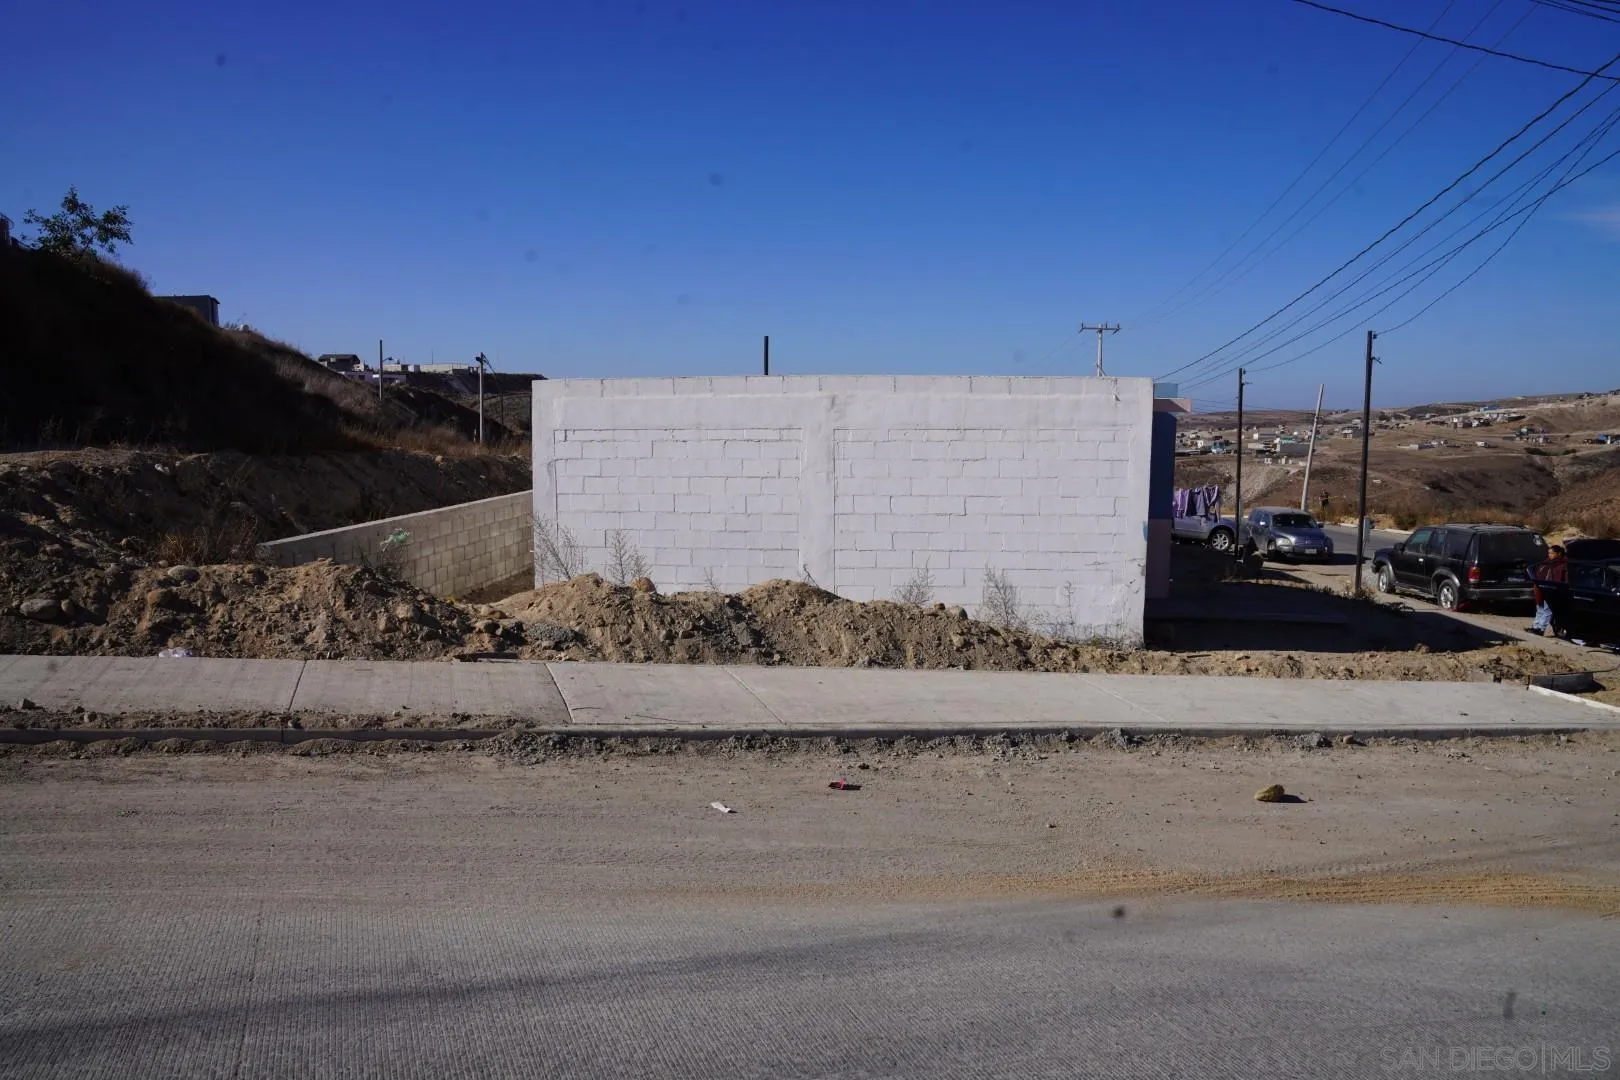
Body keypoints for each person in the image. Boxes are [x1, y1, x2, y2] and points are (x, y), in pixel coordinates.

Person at [1526, 544, 1568, 635]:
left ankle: (1541, 628)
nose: (1550, 555)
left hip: (1553, 590)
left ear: (1559, 553)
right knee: (1540, 608)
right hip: (1541, 589)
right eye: (1549, 553)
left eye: (1552, 553)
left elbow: (1564, 579)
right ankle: (1535, 626)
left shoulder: (1563, 564)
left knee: (1547, 609)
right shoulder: (1546, 563)